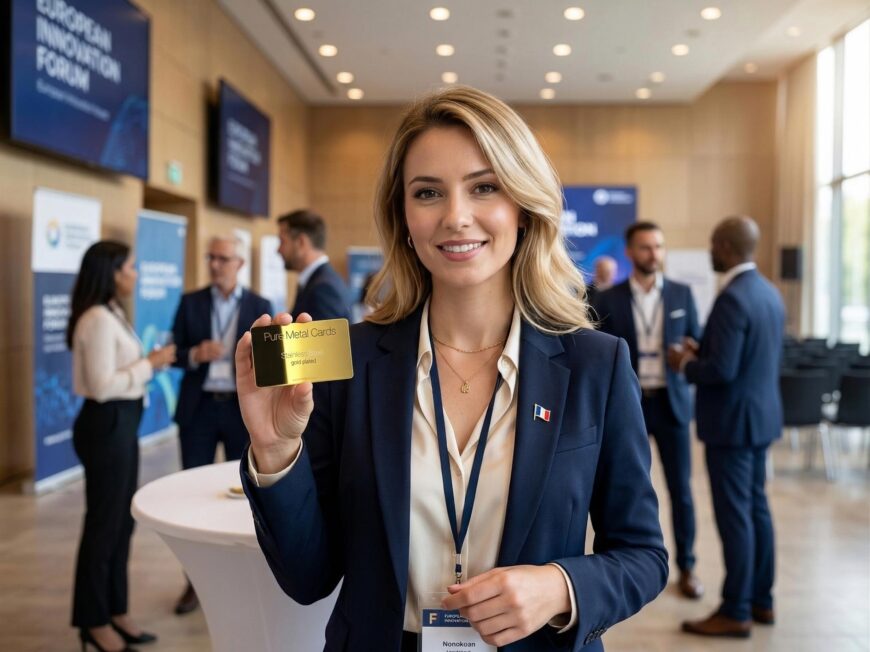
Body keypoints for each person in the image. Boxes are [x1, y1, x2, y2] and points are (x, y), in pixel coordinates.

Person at [235, 86, 667, 650]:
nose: (456, 217)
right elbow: (308, 577)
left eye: (484, 187)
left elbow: (643, 554)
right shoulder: (348, 361)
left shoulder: (596, 365)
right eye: (428, 192)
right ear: (404, 217)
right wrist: (274, 451)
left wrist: (560, 587)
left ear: (523, 207)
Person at [668, 216, 784, 638]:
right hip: (760, 419)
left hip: (732, 425)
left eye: (713, 244)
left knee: (735, 517)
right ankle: (761, 600)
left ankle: (735, 610)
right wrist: (705, 351)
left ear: (725, 247)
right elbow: (745, 357)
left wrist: (686, 363)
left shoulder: (732, 298)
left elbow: (722, 370)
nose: (709, 251)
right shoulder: (768, 292)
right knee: (756, 510)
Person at [68, 240, 176, 652]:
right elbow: (100, 385)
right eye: (130, 266)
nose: (135, 273)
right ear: (111, 273)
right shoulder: (96, 318)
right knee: (103, 524)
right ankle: (93, 622)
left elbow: (117, 372)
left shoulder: (111, 312)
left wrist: (146, 364)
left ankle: (116, 611)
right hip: (105, 423)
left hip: (121, 422)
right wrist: (150, 364)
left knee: (120, 523)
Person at [595, 221, 704, 600]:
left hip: (672, 405)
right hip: (630, 407)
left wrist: (692, 351)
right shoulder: (608, 299)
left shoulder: (682, 294)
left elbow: (696, 340)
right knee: (623, 489)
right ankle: (617, 564)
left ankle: (688, 567)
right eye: (645, 247)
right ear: (629, 252)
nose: (653, 253)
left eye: (658, 246)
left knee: (681, 491)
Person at [169, 235, 272, 614]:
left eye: (222, 258)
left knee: (246, 494)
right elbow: (175, 353)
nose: (214, 265)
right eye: (210, 257)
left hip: (240, 410)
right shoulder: (190, 302)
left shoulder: (260, 306)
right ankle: (194, 583)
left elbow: (271, 359)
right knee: (191, 493)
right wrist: (195, 354)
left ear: (239, 264)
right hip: (198, 409)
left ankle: (242, 579)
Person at [277, 209, 351, 321]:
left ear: (301, 242)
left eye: (282, 241)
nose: (278, 250)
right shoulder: (318, 282)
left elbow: (327, 333)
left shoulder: (323, 289)